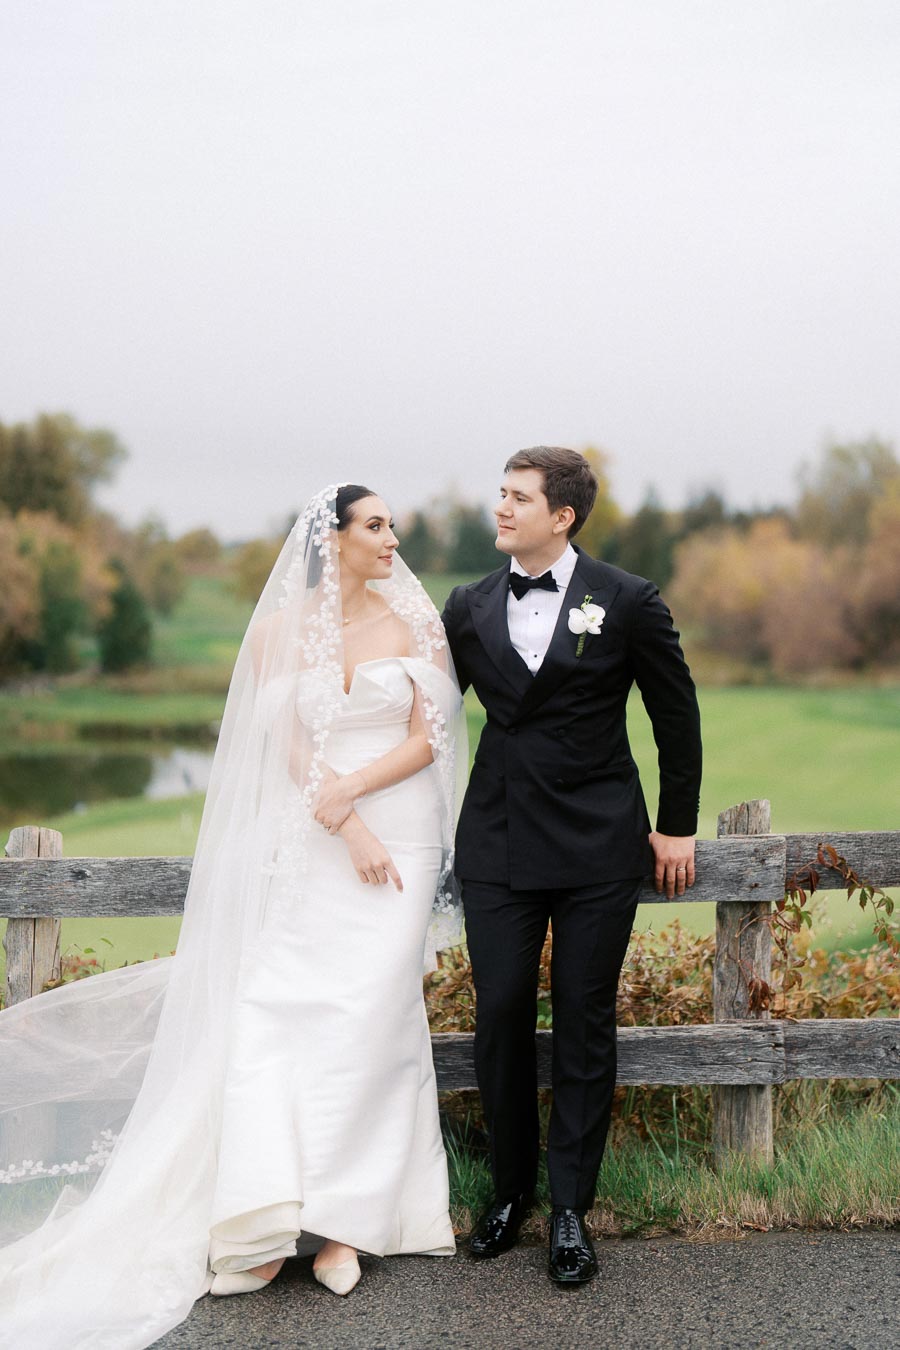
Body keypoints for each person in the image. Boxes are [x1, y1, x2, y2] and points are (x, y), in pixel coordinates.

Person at [0, 484, 466, 1348]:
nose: (393, 539)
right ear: (332, 540)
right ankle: (261, 1218)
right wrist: (335, 816)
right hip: (311, 835)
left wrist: (357, 801)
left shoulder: (416, 625)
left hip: (398, 839)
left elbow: (427, 738)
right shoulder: (277, 629)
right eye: (376, 526)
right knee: (274, 1007)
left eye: (392, 525)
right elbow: (274, 736)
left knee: (370, 1015)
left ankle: (344, 1224)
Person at [441, 447, 702, 1285]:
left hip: (597, 843)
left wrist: (677, 827)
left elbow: (675, 715)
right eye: (501, 495)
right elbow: (427, 718)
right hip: (497, 840)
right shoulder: (468, 604)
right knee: (502, 1013)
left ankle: (567, 1212)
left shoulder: (627, 600)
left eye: (518, 499)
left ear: (564, 516)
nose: (501, 510)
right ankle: (508, 1194)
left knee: (585, 1020)